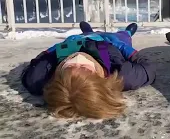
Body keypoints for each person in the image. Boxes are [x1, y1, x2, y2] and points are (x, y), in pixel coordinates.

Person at [21, 22, 156, 119]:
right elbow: (148, 69)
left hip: (76, 40)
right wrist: (123, 48)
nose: (78, 59)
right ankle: (127, 31)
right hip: (108, 42)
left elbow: (39, 60)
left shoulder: (38, 78)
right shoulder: (122, 73)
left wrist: (52, 50)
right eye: (84, 68)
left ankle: (87, 30)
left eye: (68, 66)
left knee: (85, 33)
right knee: (122, 36)